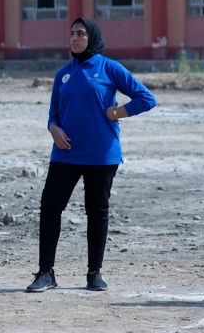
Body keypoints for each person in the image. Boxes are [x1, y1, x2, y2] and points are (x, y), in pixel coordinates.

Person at [26, 18, 156, 292]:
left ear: (92, 37)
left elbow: (146, 98)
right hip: (65, 154)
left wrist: (118, 112)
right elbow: (53, 115)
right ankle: (45, 272)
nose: (74, 38)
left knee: (97, 211)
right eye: (72, 33)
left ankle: (94, 273)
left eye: (81, 34)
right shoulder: (63, 73)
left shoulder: (109, 68)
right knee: (50, 206)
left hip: (101, 154)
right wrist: (53, 129)